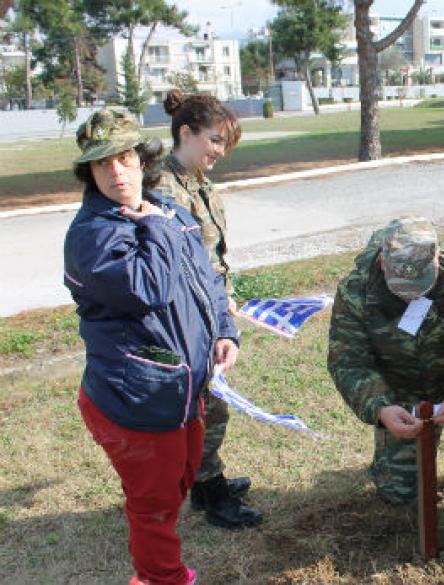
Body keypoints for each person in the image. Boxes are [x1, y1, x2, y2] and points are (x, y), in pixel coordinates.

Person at [63, 109, 240, 585]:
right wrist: (155, 228)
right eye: (103, 165)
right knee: (154, 504)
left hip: (183, 389)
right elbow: (148, 289)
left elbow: (207, 282)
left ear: (142, 160)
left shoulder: (172, 213)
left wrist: (225, 331)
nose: (117, 173)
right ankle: (161, 578)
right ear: (90, 172)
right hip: (135, 398)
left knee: (180, 479)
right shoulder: (92, 236)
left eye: (124, 159)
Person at [327, 217, 444, 505]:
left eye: (420, 285)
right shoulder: (356, 290)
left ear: (436, 259)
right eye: (402, 286)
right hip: (402, 397)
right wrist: (381, 408)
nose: (411, 295)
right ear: (383, 262)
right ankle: (389, 464)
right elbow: (349, 362)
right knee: (400, 495)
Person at [154, 89, 262, 530]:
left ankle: (205, 479)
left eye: (224, 143)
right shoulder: (164, 189)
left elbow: (214, 256)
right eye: (215, 141)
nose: (220, 151)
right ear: (186, 133)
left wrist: (225, 298)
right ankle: (209, 491)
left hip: (210, 310)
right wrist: (213, 315)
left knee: (209, 402)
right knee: (207, 406)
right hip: (185, 321)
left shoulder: (197, 181)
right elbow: (176, 268)